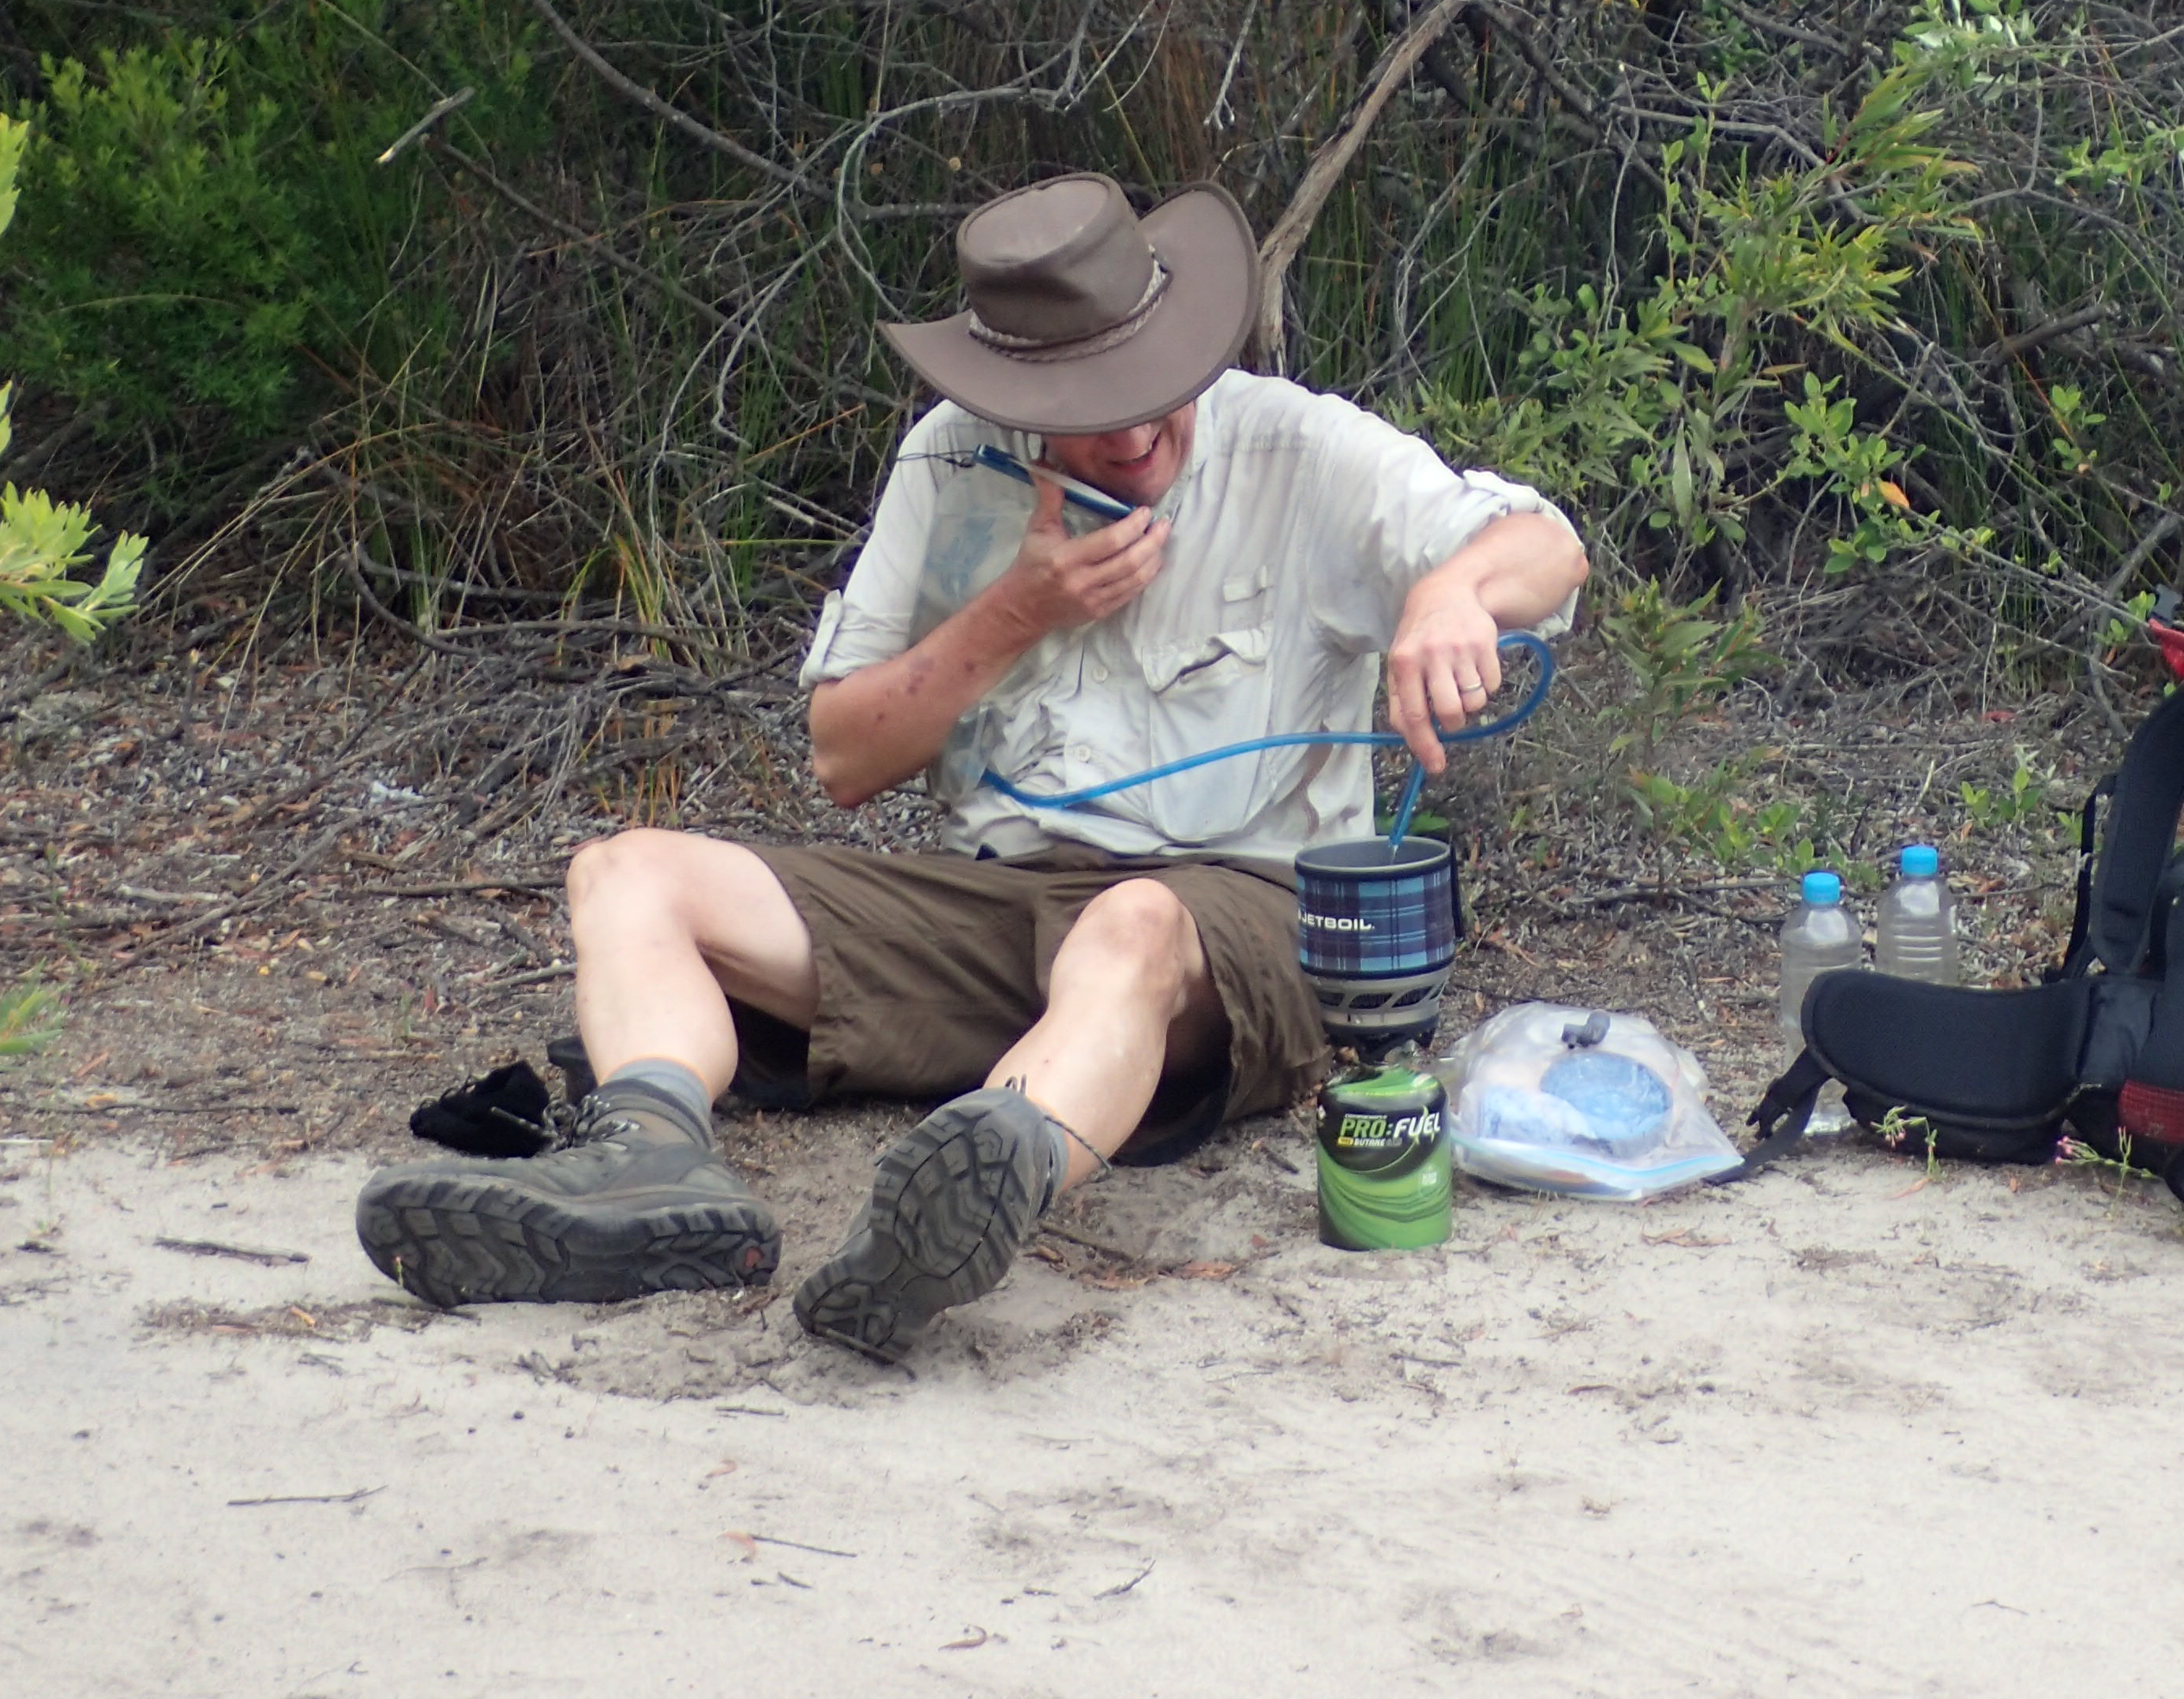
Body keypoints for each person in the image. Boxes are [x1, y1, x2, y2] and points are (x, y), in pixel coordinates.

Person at [353, 173, 1585, 1359]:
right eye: (1094, 407)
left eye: (1157, 387)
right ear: (1016, 392)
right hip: (997, 912)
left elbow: (1546, 549)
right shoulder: (950, 462)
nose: (1139, 432)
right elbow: (846, 756)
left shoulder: (1296, 448)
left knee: (1131, 925)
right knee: (628, 874)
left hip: (1231, 921)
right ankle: (645, 1164)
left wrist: (1449, 597)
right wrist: (1013, 613)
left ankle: (985, 1181)